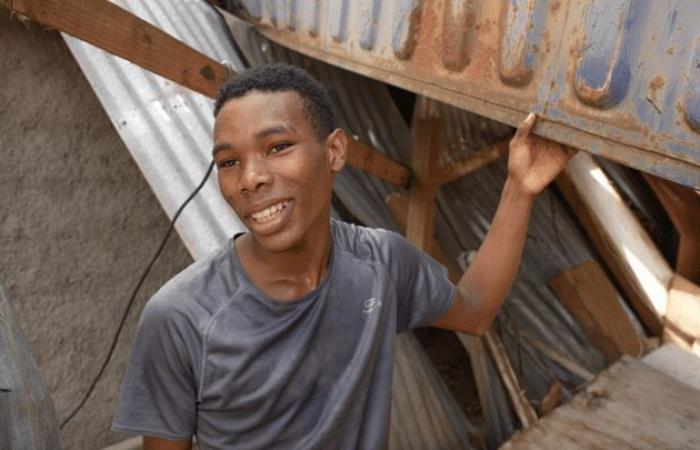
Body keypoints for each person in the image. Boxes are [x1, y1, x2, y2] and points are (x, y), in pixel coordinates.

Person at [111, 63, 572, 450]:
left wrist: (520, 188)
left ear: (333, 151)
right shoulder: (181, 319)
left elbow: (474, 310)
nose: (249, 178)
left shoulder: (380, 264)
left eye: (277, 147)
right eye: (229, 161)